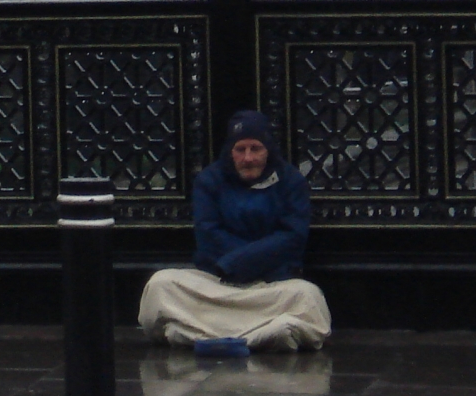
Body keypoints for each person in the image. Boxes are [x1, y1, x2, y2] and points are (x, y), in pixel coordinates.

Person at [138, 110, 331, 352]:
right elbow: (208, 235)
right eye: (240, 150)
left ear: (268, 150)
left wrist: (243, 263)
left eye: (256, 149)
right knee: (160, 284)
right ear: (230, 151)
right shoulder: (209, 181)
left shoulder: (291, 182)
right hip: (217, 283)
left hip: (269, 285)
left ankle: (195, 334)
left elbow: (292, 237)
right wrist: (231, 267)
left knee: (307, 296)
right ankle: (264, 335)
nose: (248, 158)